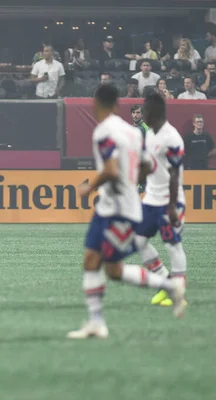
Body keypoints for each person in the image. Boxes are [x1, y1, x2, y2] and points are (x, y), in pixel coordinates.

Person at [67, 85, 185, 340]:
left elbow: (109, 169)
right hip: (112, 206)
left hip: (118, 210)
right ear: (117, 105)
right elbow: (146, 165)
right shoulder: (132, 133)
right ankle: (96, 322)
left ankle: (170, 286)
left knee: (113, 270)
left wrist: (88, 187)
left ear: (96, 104)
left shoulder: (103, 132)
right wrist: (132, 183)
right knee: (91, 260)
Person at [131, 92, 188, 307]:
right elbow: (149, 164)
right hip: (151, 199)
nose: (141, 113)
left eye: (144, 110)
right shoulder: (151, 134)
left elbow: (174, 173)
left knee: (172, 245)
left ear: (153, 111)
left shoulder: (171, 137)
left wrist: (173, 206)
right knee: (137, 240)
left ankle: (179, 293)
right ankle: (166, 283)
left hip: (170, 201)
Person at [131, 104, 149, 193]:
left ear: (142, 115)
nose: (135, 115)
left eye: (138, 113)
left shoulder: (141, 129)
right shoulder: (137, 128)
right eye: (133, 113)